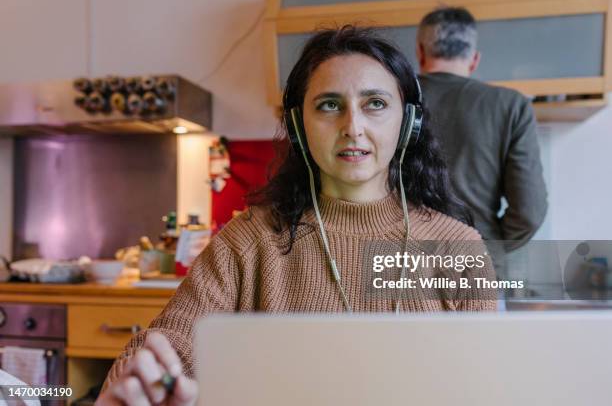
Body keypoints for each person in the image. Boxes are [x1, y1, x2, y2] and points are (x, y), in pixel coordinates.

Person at [97, 25, 497, 405]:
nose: (353, 127)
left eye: (375, 103)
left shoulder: (457, 247)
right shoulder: (249, 241)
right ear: (299, 125)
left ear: (408, 122)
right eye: (329, 106)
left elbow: (487, 386)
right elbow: (173, 345)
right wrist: (143, 381)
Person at [416, 7, 548, 257]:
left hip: (402, 264)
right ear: (474, 59)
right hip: (478, 264)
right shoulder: (511, 105)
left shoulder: (394, 98)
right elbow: (529, 213)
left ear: (420, 53)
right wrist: (489, 247)